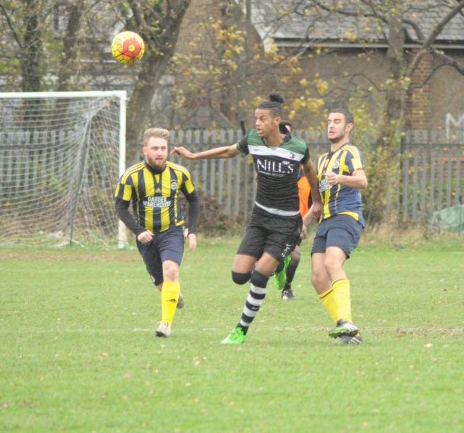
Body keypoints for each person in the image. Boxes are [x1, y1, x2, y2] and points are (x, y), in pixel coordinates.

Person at [172, 93, 321, 344]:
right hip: (260, 219)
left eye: (262, 119)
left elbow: (311, 170)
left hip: (286, 224)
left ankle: (240, 330)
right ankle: (279, 264)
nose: (257, 123)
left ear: (276, 121)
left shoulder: (297, 148)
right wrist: (193, 156)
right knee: (239, 276)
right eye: (256, 119)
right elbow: (228, 151)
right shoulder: (253, 140)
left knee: (260, 275)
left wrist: (316, 202)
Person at [114, 127, 200, 338]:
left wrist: (193, 231)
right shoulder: (131, 176)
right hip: (146, 236)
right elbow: (120, 207)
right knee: (164, 286)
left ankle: (165, 324)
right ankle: (174, 293)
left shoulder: (180, 173)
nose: (160, 152)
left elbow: (194, 201)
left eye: (163, 148)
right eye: (155, 148)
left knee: (171, 270)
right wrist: (138, 231)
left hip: (172, 231)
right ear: (145, 150)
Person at [304, 108, 367, 345]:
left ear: (348, 127)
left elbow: (362, 181)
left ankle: (346, 323)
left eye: (337, 121)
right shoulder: (321, 160)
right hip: (326, 221)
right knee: (318, 277)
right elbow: (318, 203)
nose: (331, 125)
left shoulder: (351, 152)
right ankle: (350, 331)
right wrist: (304, 221)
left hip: (346, 217)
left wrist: (340, 178)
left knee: (332, 263)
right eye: (329, 121)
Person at [270, 120, 313, 300]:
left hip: (296, 223)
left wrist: (306, 223)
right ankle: (276, 268)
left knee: (294, 257)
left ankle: (286, 288)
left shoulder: (306, 170)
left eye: (288, 134)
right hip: (275, 220)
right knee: (285, 256)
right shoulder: (271, 165)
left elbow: (314, 202)